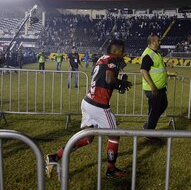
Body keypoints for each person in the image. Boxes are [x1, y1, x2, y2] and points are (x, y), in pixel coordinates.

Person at [45, 39, 132, 179]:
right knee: (115, 135)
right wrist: (122, 82)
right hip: (99, 105)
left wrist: (118, 83)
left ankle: (55, 156)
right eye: (122, 51)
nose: (124, 53)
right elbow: (109, 79)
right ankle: (111, 170)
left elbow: (103, 79)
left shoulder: (101, 59)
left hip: (88, 102)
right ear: (116, 50)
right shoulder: (113, 59)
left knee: (87, 138)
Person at [140, 35, 176, 142]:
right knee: (155, 111)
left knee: (163, 105)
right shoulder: (148, 54)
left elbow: (157, 65)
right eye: (158, 41)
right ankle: (149, 133)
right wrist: (152, 86)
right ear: (153, 42)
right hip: (153, 89)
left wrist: (166, 63)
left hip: (160, 88)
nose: (160, 42)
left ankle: (148, 126)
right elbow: (143, 71)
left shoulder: (156, 53)